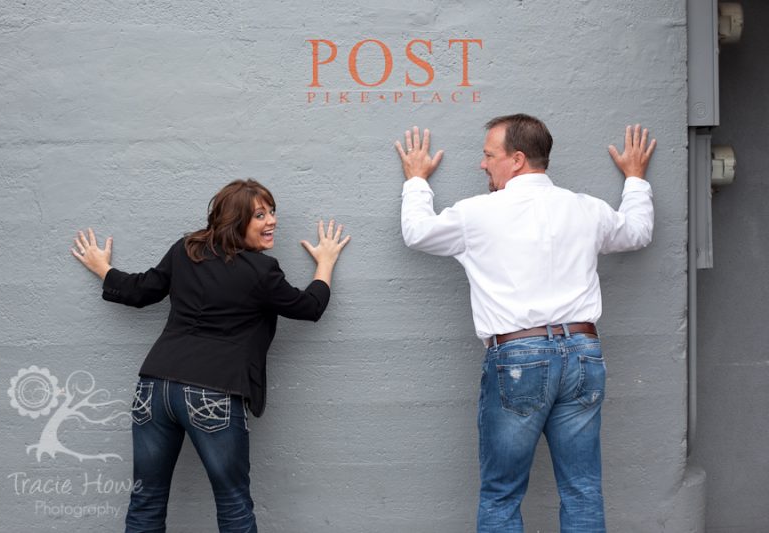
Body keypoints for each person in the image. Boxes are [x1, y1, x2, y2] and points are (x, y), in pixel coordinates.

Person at [394, 115, 656, 532]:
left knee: (501, 493)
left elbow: (417, 233)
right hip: (584, 355)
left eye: (488, 155)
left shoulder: (477, 213)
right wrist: (636, 180)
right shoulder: (585, 208)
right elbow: (638, 232)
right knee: (583, 489)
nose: (483, 165)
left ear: (516, 160)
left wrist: (416, 180)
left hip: (519, 357)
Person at [71, 179, 350, 533]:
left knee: (146, 501)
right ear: (236, 222)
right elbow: (308, 307)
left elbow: (142, 291)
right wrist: (325, 263)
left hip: (154, 387)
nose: (272, 221)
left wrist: (104, 270)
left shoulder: (186, 250)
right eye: (260, 215)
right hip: (212, 391)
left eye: (272, 212)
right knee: (234, 504)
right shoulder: (262, 271)